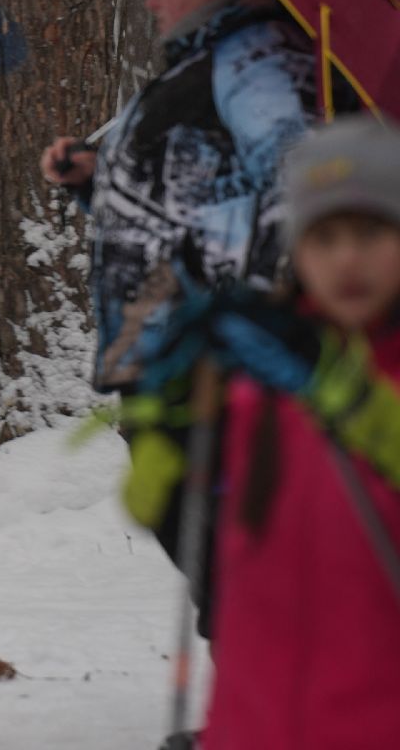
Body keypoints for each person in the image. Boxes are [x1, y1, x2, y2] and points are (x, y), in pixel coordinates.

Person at [38, 0, 321, 639]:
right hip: (157, 344)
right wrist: (94, 174)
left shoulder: (257, 60)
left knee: (228, 544)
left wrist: (223, 284)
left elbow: (298, 183)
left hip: (212, 348)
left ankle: (264, 710)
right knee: (202, 538)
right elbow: (180, 184)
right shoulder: (204, 58)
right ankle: (252, 705)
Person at [127, 119, 400, 749]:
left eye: (370, 232)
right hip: (253, 723)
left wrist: (340, 391)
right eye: (325, 237)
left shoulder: (321, 373)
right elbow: (168, 518)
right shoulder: (258, 384)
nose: (347, 259)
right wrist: (162, 426)